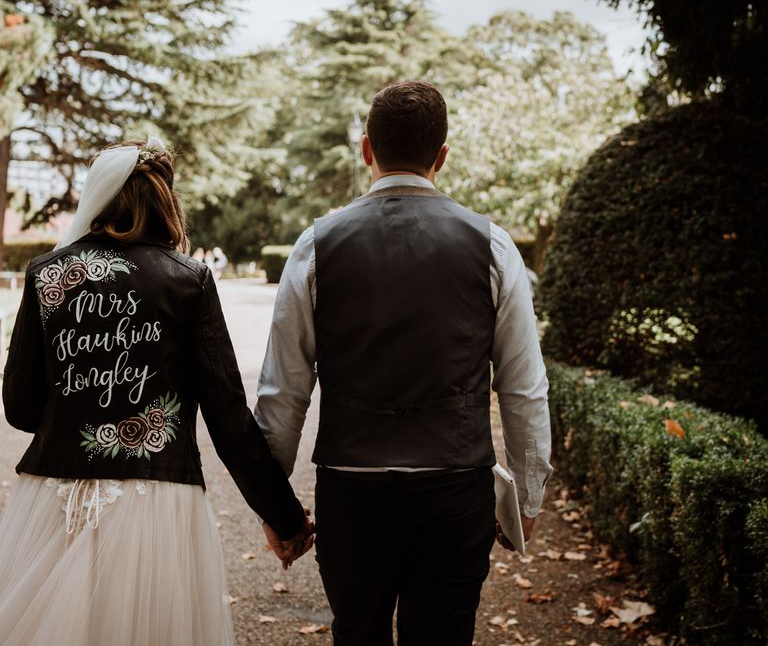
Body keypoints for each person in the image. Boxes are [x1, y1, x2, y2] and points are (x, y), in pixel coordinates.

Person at [255, 81, 553, 645]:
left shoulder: (316, 245)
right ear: (442, 155)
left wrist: (277, 510)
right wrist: (529, 495)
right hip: (454, 487)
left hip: (351, 491)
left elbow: (283, 391)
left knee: (358, 634)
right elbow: (522, 387)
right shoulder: (492, 245)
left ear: (366, 149)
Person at [0, 137, 313, 646]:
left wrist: (81, 414)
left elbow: (18, 408)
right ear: (166, 200)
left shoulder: (45, 274)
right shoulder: (188, 280)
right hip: (156, 500)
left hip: (53, 498)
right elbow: (229, 420)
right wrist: (285, 517)